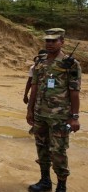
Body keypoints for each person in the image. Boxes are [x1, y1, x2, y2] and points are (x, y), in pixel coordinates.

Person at [26, 28, 81, 192]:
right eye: (47, 41)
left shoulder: (70, 64)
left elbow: (74, 92)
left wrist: (75, 117)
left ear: (62, 42)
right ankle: (45, 181)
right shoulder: (40, 62)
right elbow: (34, 87)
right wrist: (30, 110)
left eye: (54, 40)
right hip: (40, 114)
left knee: (58, 152)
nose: (49, 44)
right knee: (41, 148)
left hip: (60, 117)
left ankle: (62, 186)